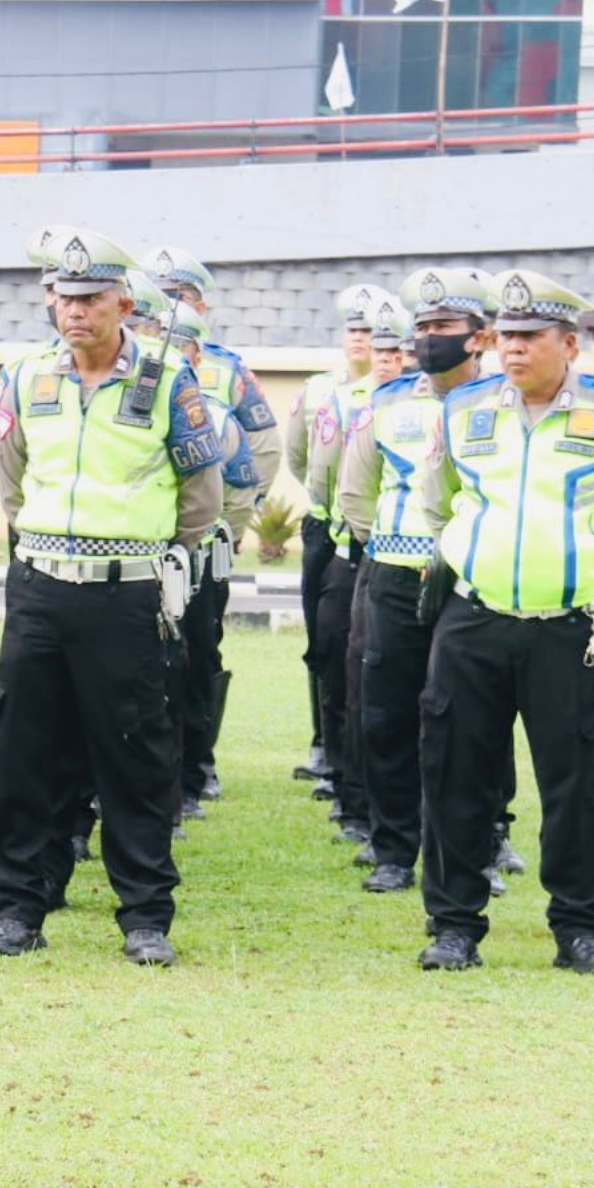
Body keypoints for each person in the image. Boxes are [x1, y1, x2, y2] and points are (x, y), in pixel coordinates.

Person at [0, 232, 221, 967]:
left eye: (89, 298)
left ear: (125, 303)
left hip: (128, 593)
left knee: (136, 752)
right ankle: (19, 907)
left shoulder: (169, 378)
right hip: (42, 584)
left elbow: (201, 495)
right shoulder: (25, 377)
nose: (74, 311)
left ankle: (144, 915)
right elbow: (14, 480)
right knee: (24, 749)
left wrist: (139, 549)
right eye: (64, 297)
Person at [412, 271, 594, 978]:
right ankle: (454, 924)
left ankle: (579, 927)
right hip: (474, 617)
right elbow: (440, 503)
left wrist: (586, 569)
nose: (514, 350)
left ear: (569, 344)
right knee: (456, 774)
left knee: (577, 782)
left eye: (530, 337)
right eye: (507, 337)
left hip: (569, 628)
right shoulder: (463, 408)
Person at [336, 272, 495, 889]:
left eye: (444, 329)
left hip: (471, 583)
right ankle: (394, 850)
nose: (430, 340)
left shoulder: (502, 402)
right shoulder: (388, 400)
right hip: (396, 575)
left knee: (468, 721)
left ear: (477, 339)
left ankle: (476, 846)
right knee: (388, 715)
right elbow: (355, 492)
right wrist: (391, 547)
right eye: (422, 329)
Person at [149, 254, 278, 814]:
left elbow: (264, 447)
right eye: (162, 292)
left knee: (201, 650)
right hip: (151, 544)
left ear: (202, 302)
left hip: (211, 537)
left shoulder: (228, 368)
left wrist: (236, 519)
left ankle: (198, 765)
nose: (171, 301)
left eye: (180, 292)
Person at [295, 291, 392, 796]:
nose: (367, 343)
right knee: (330, 649)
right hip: (333, 533)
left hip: (388, 546)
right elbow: (307, 462)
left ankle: (362, 774)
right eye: (357, 333)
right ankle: (332, 756)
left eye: (376, 337)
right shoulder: (328, 394)